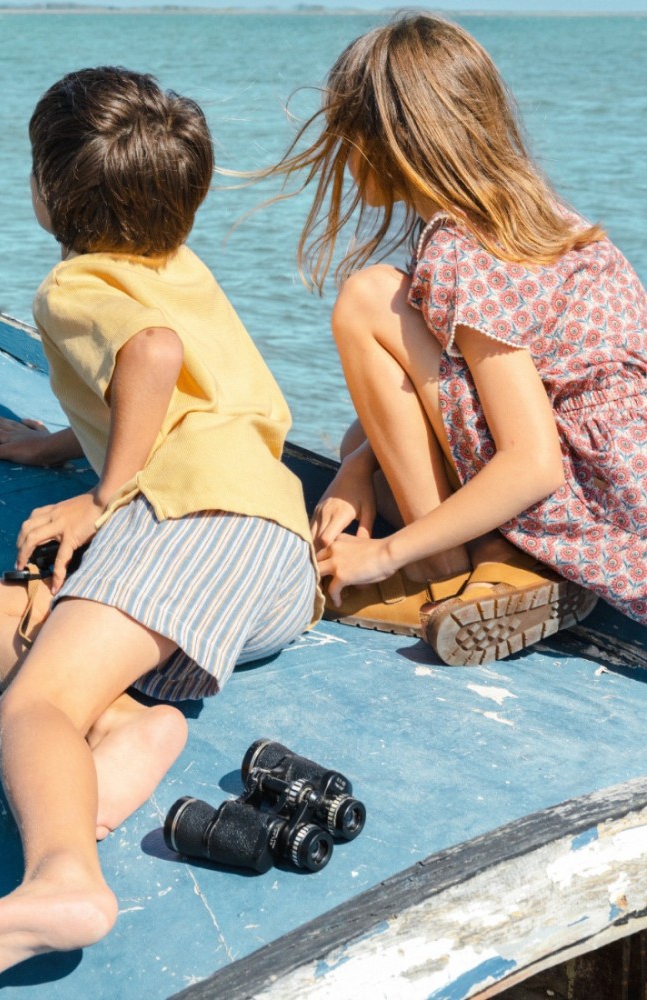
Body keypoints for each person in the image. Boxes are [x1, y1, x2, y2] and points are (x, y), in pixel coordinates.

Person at [0, 66, 320, 993]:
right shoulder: (182, 267)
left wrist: (104, 495)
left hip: (194, 523)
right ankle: (129, 728)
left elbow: (149, 355)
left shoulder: (73, 286)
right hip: (271, 562)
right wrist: (60, 442)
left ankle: (62, 884)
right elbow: (182, 386)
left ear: (46, 189)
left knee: (31, 709)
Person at [262, 12, 646, 666]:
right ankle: (502, 558)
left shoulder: (460, 247)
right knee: (375, 412)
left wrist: (380, 551)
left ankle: (438, 569)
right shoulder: (545, 219)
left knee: (365, 300)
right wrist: (358, 465)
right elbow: (443, 382)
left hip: (585, 504)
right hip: (625, 498)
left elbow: (533, 460)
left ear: (386, 142)